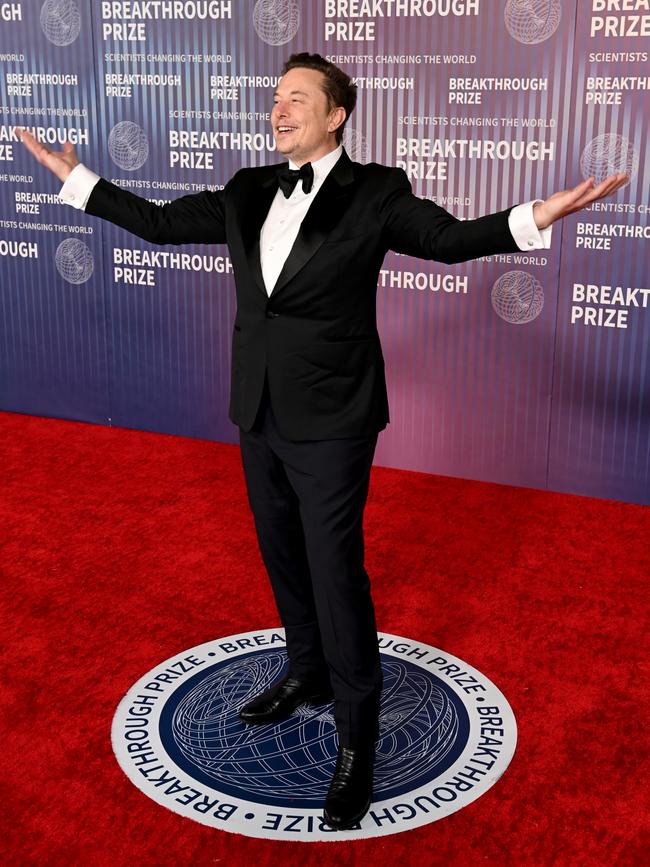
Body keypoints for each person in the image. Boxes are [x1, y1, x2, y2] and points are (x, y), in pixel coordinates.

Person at [16, 51, 627, 831]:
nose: (280, 109)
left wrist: (537, 216)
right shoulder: (246, 190)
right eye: (276, 98)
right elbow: (163, 226)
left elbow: (445, 240)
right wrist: (79, 179)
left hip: (335, 418)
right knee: (281, 554)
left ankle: (356, 739)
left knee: (335, 571)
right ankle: (304, 672)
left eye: (297, 99)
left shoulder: (376, 192)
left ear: (336, 114)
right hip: (258, 412)